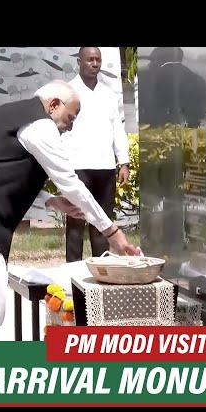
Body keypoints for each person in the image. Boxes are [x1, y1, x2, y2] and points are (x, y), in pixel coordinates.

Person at [0, 79, 140, 341]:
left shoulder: (14, 113)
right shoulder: (40, 125)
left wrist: (51, 200)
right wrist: (111, 230)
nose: (69, 127)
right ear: (53, 105)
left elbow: (3, 172)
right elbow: (70, 183)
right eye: (70, 117)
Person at [56, 47, 131, 262]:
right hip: (77, 167)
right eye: (90, 60)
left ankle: (102, 271)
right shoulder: (68, 92)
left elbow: (117, 128)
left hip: (105, 168)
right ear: (79, 62)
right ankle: (72, 276)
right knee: (75, 224)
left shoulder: (108, 94)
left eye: (98, 59)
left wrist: (123, 162)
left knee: (102, 224)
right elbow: (59, 128)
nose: (95, 63)